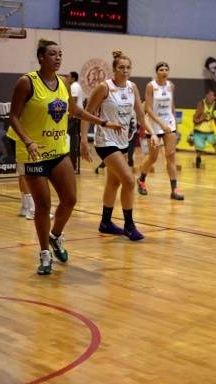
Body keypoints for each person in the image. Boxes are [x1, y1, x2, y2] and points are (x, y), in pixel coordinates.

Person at [7, 39, 120, 274]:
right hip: (34, 153)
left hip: (58, 150)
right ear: (41, 57)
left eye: (60, 54)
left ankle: (55, 235)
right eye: (52, 54)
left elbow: (74, 110)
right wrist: (28, 141)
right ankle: (44, 253)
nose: (58, 57)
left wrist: (102, 122)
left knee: (70, 200)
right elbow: (14, 116)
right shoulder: (26, 82)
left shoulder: (63, 82)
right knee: (43, 205)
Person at [81, 49, 156, 241]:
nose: (125, 70)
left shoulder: (132, 87)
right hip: (105, 141)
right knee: (129, 181)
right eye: (121, 67)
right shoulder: (104, 87)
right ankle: (129, 225)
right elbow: (86, 113)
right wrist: (83, 140)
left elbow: (141, 115)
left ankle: (105, 222)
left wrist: (152, 133)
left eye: (128, 67)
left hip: (123, 141)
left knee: (113, 182)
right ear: (114, 70)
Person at [137, 61, 184, 200]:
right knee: (153, 158)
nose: (164, 72)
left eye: (166, 69)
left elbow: (172, 105)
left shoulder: (171, 85)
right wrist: (161, 124)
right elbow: (148, 108)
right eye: (161, 70)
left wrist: (175, 124)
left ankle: (174, 190)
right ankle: (141, 180)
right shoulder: (151, 86)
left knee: (171, 155)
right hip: (154, 125)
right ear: (157, 72)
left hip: (169, 124)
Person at [193, 89, 216, 168]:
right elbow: (194, 120)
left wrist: (215, 119)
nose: (209, 97)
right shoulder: (201, 105)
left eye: (211, 95)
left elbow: (211, 113)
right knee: (200, 149)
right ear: (206, 95)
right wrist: (201, 119)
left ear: (214, 97)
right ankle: (198, 159)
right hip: (199, 129)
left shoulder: (214, 104)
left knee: (215, 145)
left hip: (208, 129)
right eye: (208, 95)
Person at [67, 71, 84, 171]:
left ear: (73, 78)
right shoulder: (75, 86)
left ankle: (72, 165)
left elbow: (73, 100)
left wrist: (70, 113)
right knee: (72, 140)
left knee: (72, 141)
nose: (67, 78)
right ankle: (72, 165)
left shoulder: (74, 86)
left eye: (69, 76)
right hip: (75, 116)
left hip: (74, 117)